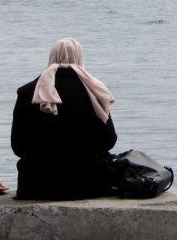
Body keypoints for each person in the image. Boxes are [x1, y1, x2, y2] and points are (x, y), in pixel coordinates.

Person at [12, 38, 118, 200]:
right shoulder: (94, 91)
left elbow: (17, 146)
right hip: (89, 184)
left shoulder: (27, 92)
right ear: (80, 58)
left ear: (51, 57)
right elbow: (109, 140)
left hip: (35, 185)